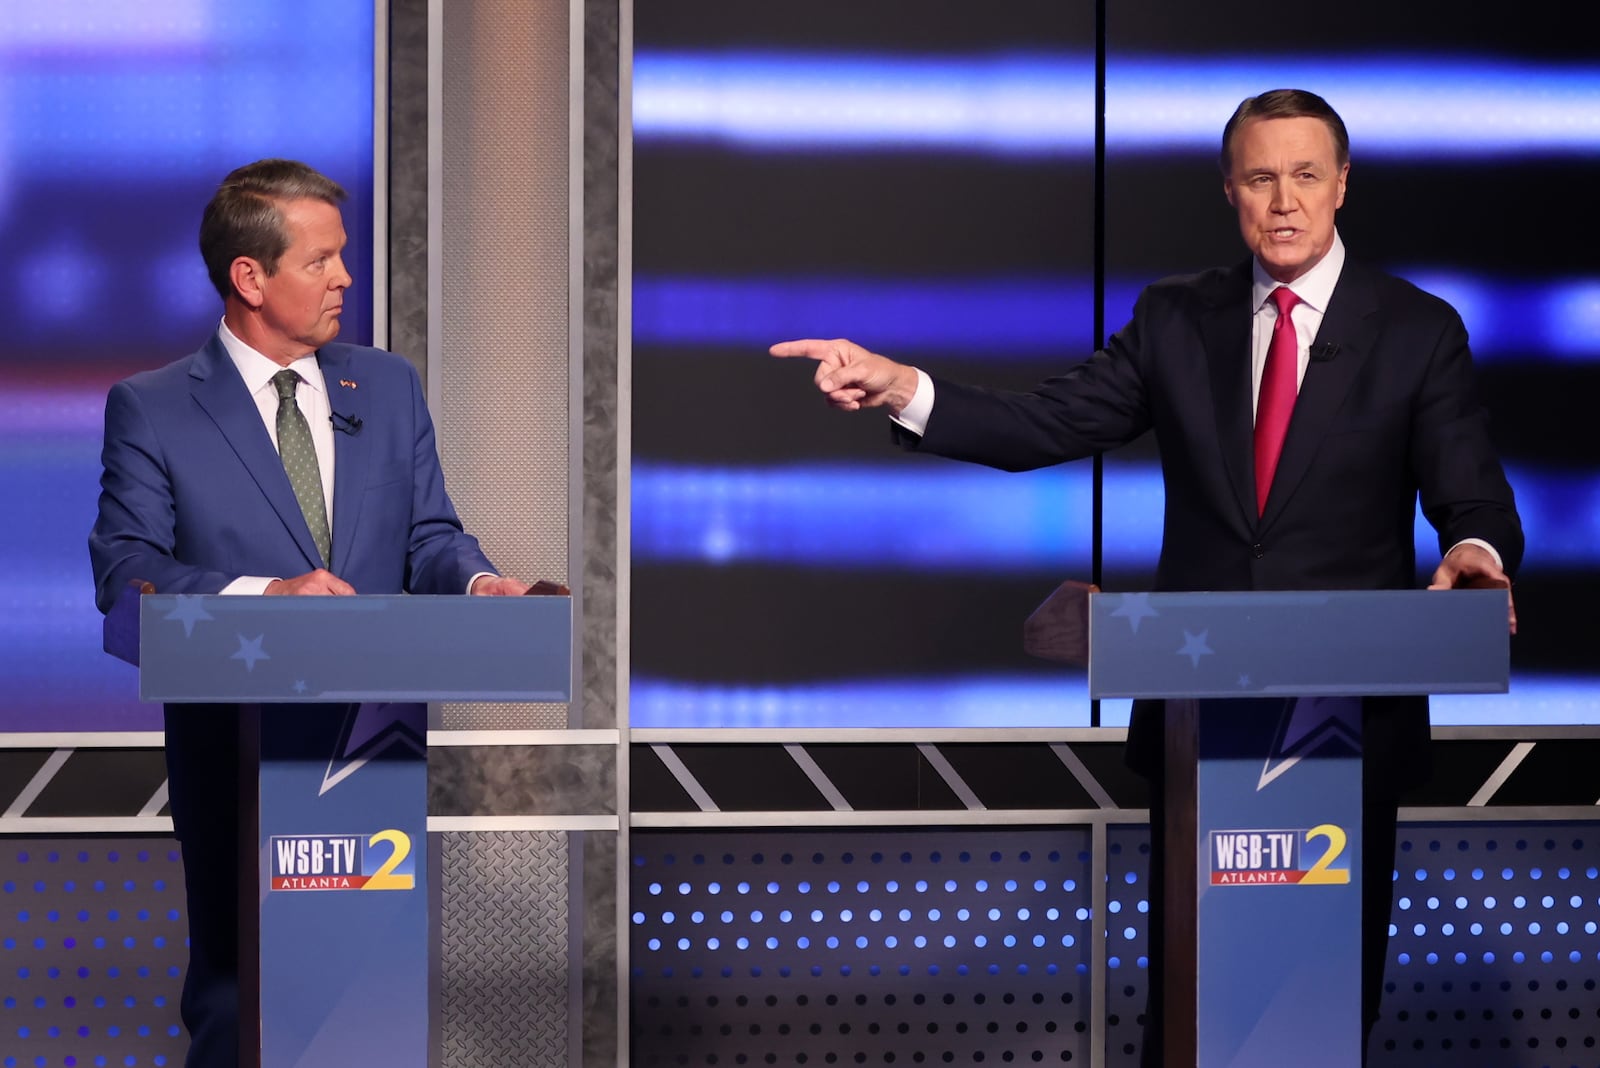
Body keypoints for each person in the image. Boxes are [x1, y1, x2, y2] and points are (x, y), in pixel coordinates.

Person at [771, 89, 1522, 1064]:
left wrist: (1473, 558)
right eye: (1260, 178)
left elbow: (1471, 496)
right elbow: (1048, 424)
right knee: (1194, 1012)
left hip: (1348, 730)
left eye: (1304, 175)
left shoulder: (1417, 329)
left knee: (1322, 1016)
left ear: (1341, 185)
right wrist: (905, 387)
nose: (1284, 201)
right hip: (1199, 725)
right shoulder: (1177, 319)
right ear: (1229, 191)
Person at [89, 159, 539, 1067]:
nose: (344, 278)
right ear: (248, 277)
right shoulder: (153, 407)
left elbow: (430, 537)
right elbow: (126, 567)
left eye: (344, 257)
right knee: (238, 999)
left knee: (364, 1007)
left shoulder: (389, 385)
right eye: (321, 260)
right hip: (235, 751)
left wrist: (484, 584)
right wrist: (268, 596)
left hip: (370, 746)